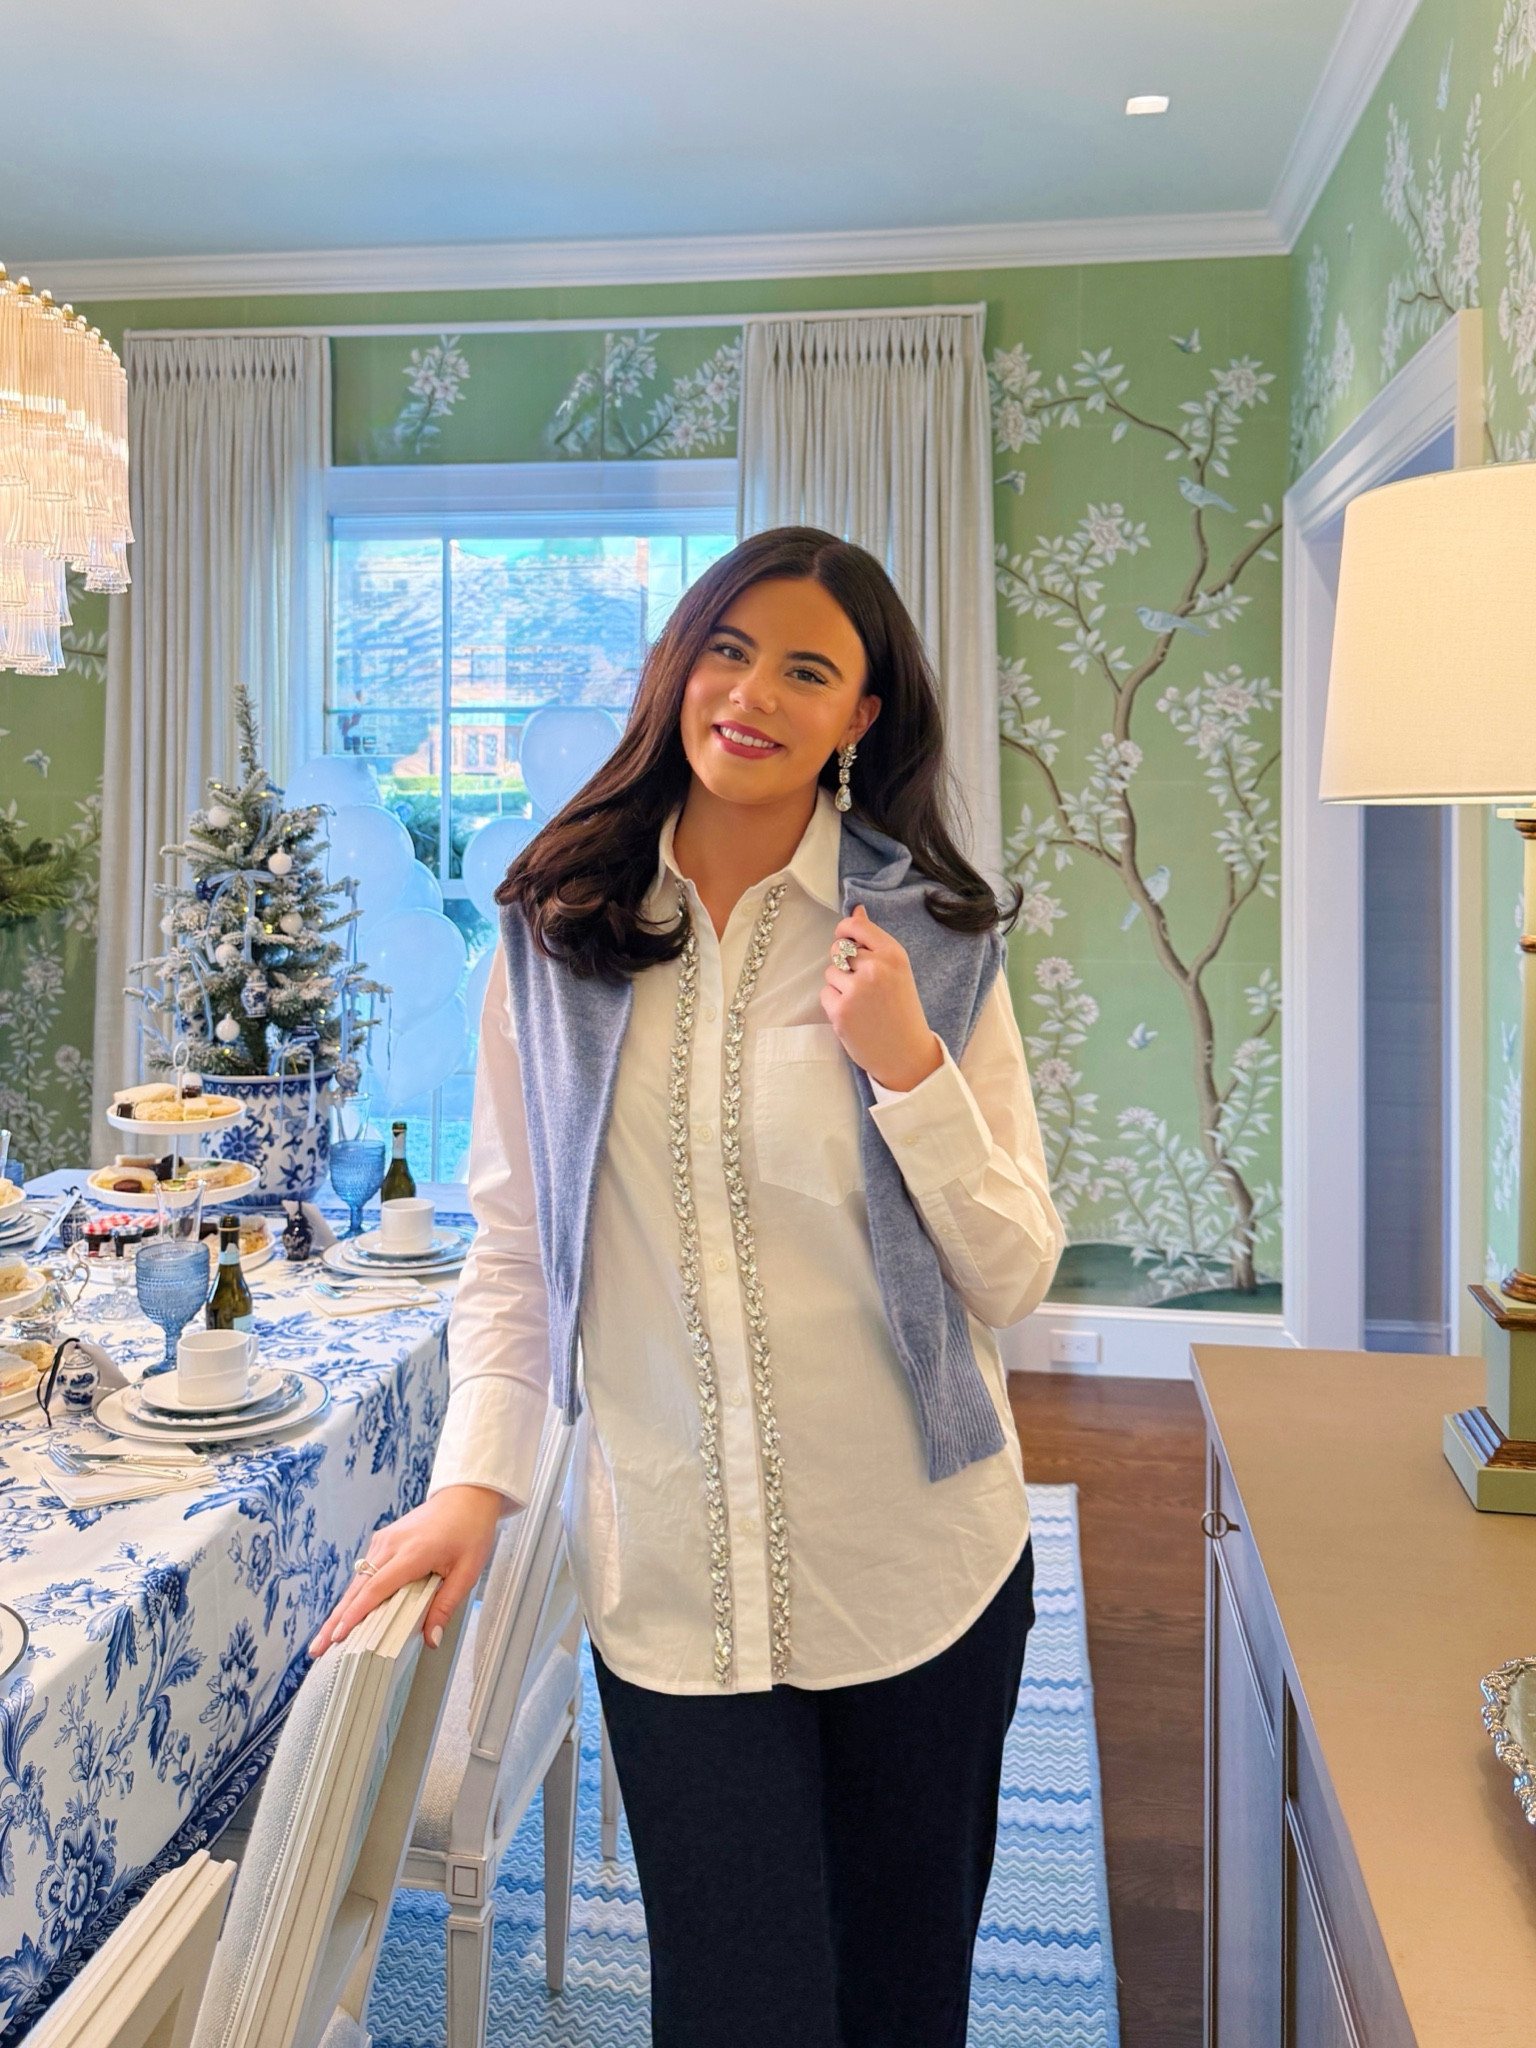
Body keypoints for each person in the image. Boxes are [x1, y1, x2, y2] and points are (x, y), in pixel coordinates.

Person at [311, 526, 1064, 2048]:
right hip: (673, 1589)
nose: (754, 694)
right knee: (733, 2011)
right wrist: (480, 1484)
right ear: (676, 671)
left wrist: (908, 1066)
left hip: (919, 1571)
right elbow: (515, 1248)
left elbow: (1014, 1272)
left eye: (808, 670)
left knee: (900, 2007)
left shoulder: (928, 936)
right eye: (729, 650)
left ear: (860, 719)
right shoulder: (556, 932)